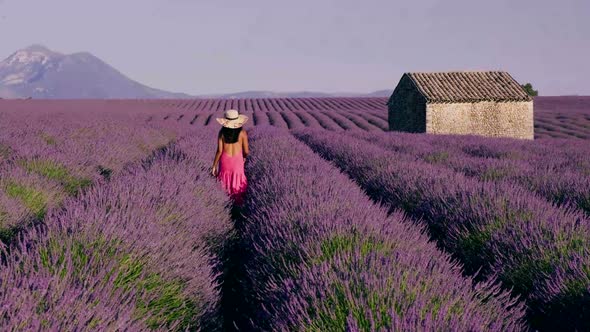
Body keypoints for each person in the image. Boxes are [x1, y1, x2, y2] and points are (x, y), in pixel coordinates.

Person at [211, 109, 249, 205]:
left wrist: (214, 166)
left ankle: (225, 205)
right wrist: (244, 157)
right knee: (238, 181)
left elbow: (219, 151)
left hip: (225, 160)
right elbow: (246, 151)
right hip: (237, 161)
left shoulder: (222, 133)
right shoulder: (242, 133)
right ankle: (238, 206)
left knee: (224, 182)